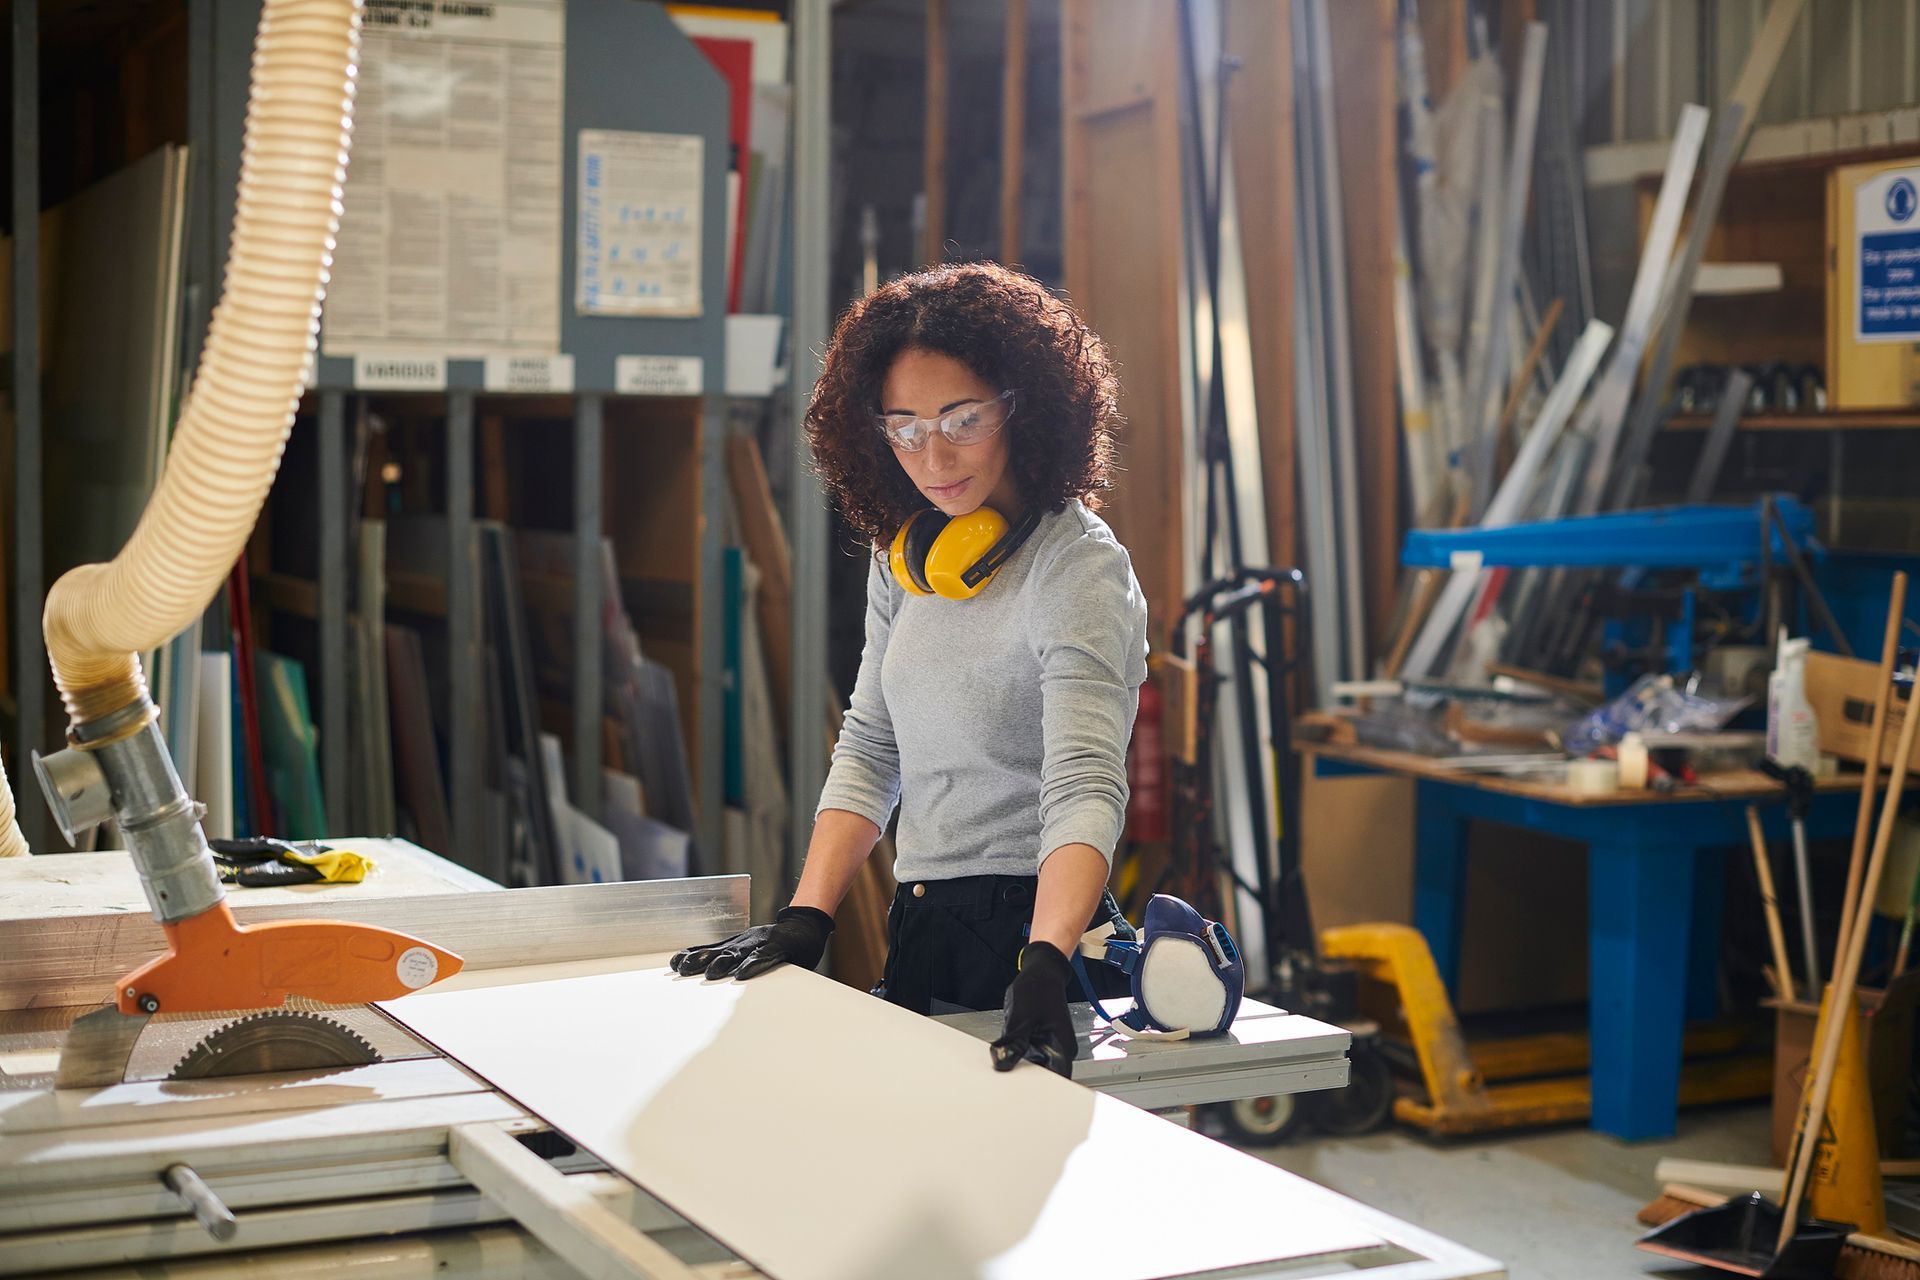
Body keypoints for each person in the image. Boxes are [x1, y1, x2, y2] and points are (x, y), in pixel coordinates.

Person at [670, 261, 1148, 1076]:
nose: (932, 455)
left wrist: (1043, 962)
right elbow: (870, 747)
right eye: (904, 426)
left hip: (1041, 937)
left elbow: (1084, 783)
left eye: (963, 419)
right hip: (923, 921)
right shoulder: (909, 559)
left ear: (1025, 407)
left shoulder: (1076, 570)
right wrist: (807, 917)